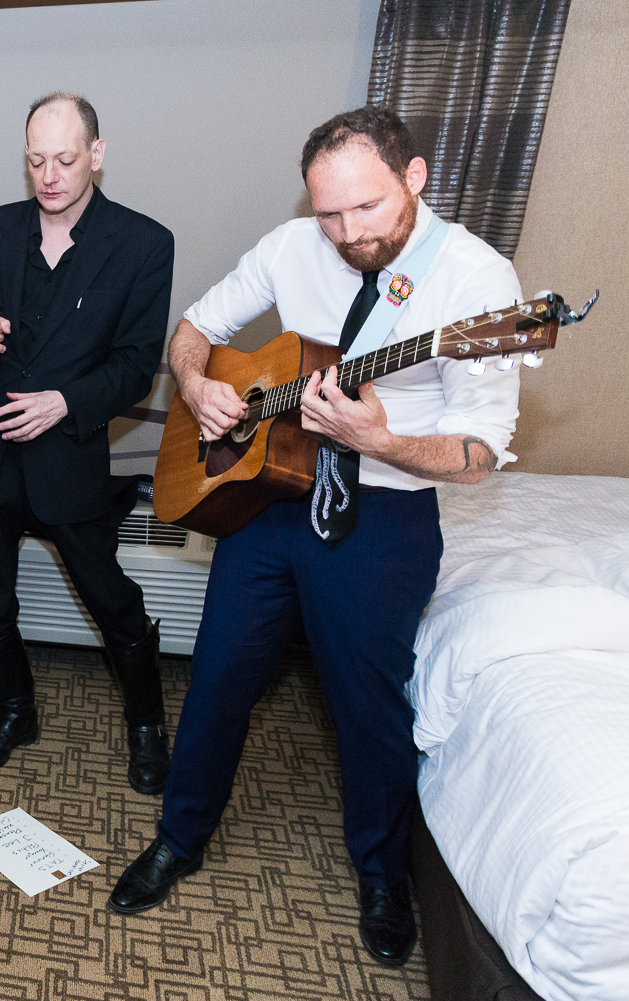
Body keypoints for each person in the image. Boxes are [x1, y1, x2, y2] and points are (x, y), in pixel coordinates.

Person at [107, 107, 523, 969]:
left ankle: (382, 875)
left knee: (367, 707)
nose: (348, 233)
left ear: (413, 177)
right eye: (329, 212)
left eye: (366, 208)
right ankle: (180, 836)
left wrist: (382, 440)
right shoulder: (294, 246)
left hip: (384, 515)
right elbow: (194, 330)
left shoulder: (478, 282)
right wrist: (197, 386)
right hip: (270, 501)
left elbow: (480, 453)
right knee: (218, 675)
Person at [0, 93, 175, 790]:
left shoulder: (144, 243)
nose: (49, 176)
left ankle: (146, 725)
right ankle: (14, 711)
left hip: (65, 456)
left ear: (96, 153)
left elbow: (135, 366)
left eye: (65, 160)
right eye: (36, 160)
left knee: (112, 600)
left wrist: (65, 401)